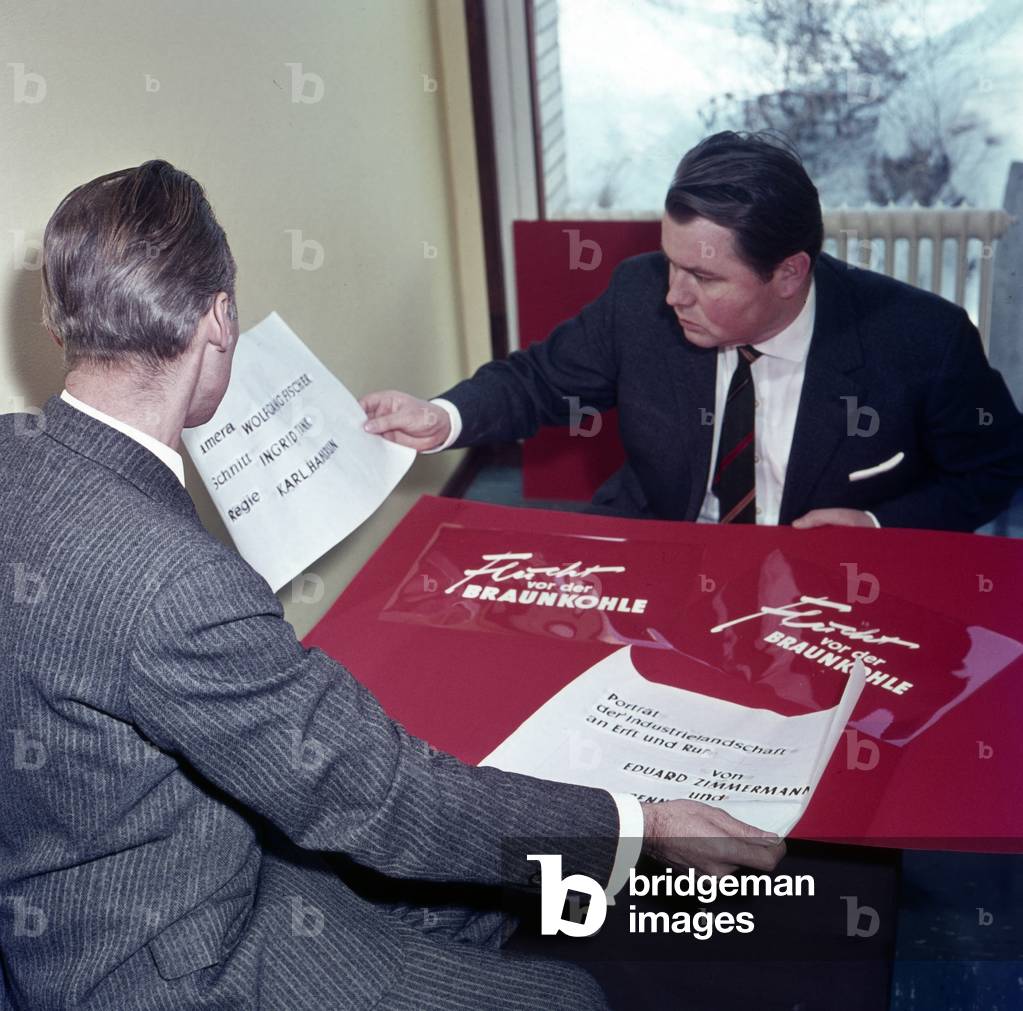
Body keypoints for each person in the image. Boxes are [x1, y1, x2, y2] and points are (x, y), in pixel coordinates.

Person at [0, 161, 784, 1011]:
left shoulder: (14, 450)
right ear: (218, 317)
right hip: (166, 957)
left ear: (65, 319)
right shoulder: (179, 584)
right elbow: (376, 793)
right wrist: (645, 822)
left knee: (484, 890)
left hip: (72, 883)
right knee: (567, 998)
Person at [361, 131, 1023, 532]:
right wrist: (441, 416)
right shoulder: (638, 294)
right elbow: (537, 382)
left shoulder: (922, 340)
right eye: (671, 262)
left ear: (788, 273)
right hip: (658, 542)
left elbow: (995, 467)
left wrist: (879, 524)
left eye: (704, 279)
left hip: (827, 583)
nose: (673, 294)